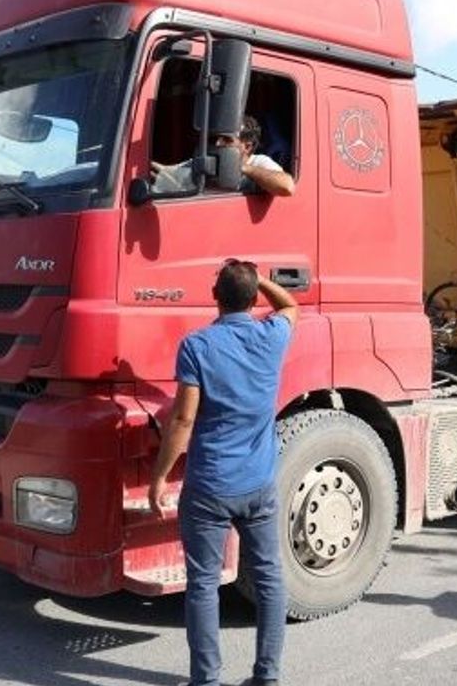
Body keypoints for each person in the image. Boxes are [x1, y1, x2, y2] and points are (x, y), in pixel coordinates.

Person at [149, 259, 298, 686]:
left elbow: (182, 421)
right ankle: (267, 677)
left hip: (210, 487)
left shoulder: (197, 346)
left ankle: (207, 680)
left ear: (215, 296)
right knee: (270, 578)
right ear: (254, 300)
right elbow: (291, 306)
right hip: (259, 485)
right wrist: (259, 280)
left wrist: (160, 477)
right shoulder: (272, 336)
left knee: (203, 585)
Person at [152, 115, 296, 197]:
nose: (218, 143)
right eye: (216, 138)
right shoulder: (209, 160)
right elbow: (167, 172)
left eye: (227, 140)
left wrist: (241, 168)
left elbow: (286, 186)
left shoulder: (258, 162)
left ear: (247, 146)